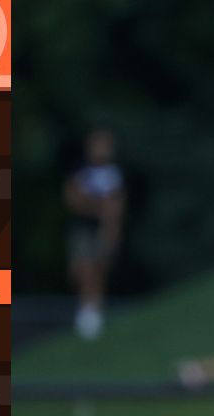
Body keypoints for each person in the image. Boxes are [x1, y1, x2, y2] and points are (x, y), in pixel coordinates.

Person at [64, 128, 126, 340]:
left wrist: (111, 226)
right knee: (79, 269)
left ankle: (92, 314)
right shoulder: (80, 170)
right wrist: (100, 207)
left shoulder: (112, 173)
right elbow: (73, 199)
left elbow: (116, 205)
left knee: (96, 268)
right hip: (82, 227)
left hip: (101, 228)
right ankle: (86, 307)